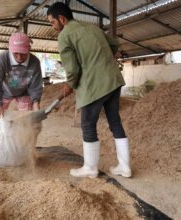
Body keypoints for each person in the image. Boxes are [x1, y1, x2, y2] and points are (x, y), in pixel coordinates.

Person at [47, 2, 131, 178]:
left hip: (95, 84)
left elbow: (73, 69)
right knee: (115, 122)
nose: (53, 27)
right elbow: (114, 45)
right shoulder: (93, 28)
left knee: (87, 124)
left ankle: (90, 168)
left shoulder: (65, 36)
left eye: (53, 23)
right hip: (113, 80)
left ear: (62, 19)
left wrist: (69, 84)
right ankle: (124, 167)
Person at [0, 32, 43, 163]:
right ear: (9, 48)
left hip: (24, 93)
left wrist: (36, 103)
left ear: (29, 49)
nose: (19, 56)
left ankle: (26, 154)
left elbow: (36, 86)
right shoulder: (2, 58)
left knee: (27, 122)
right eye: (15, 53)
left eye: (23, 53)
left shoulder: (34, 62)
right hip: (3, 92)